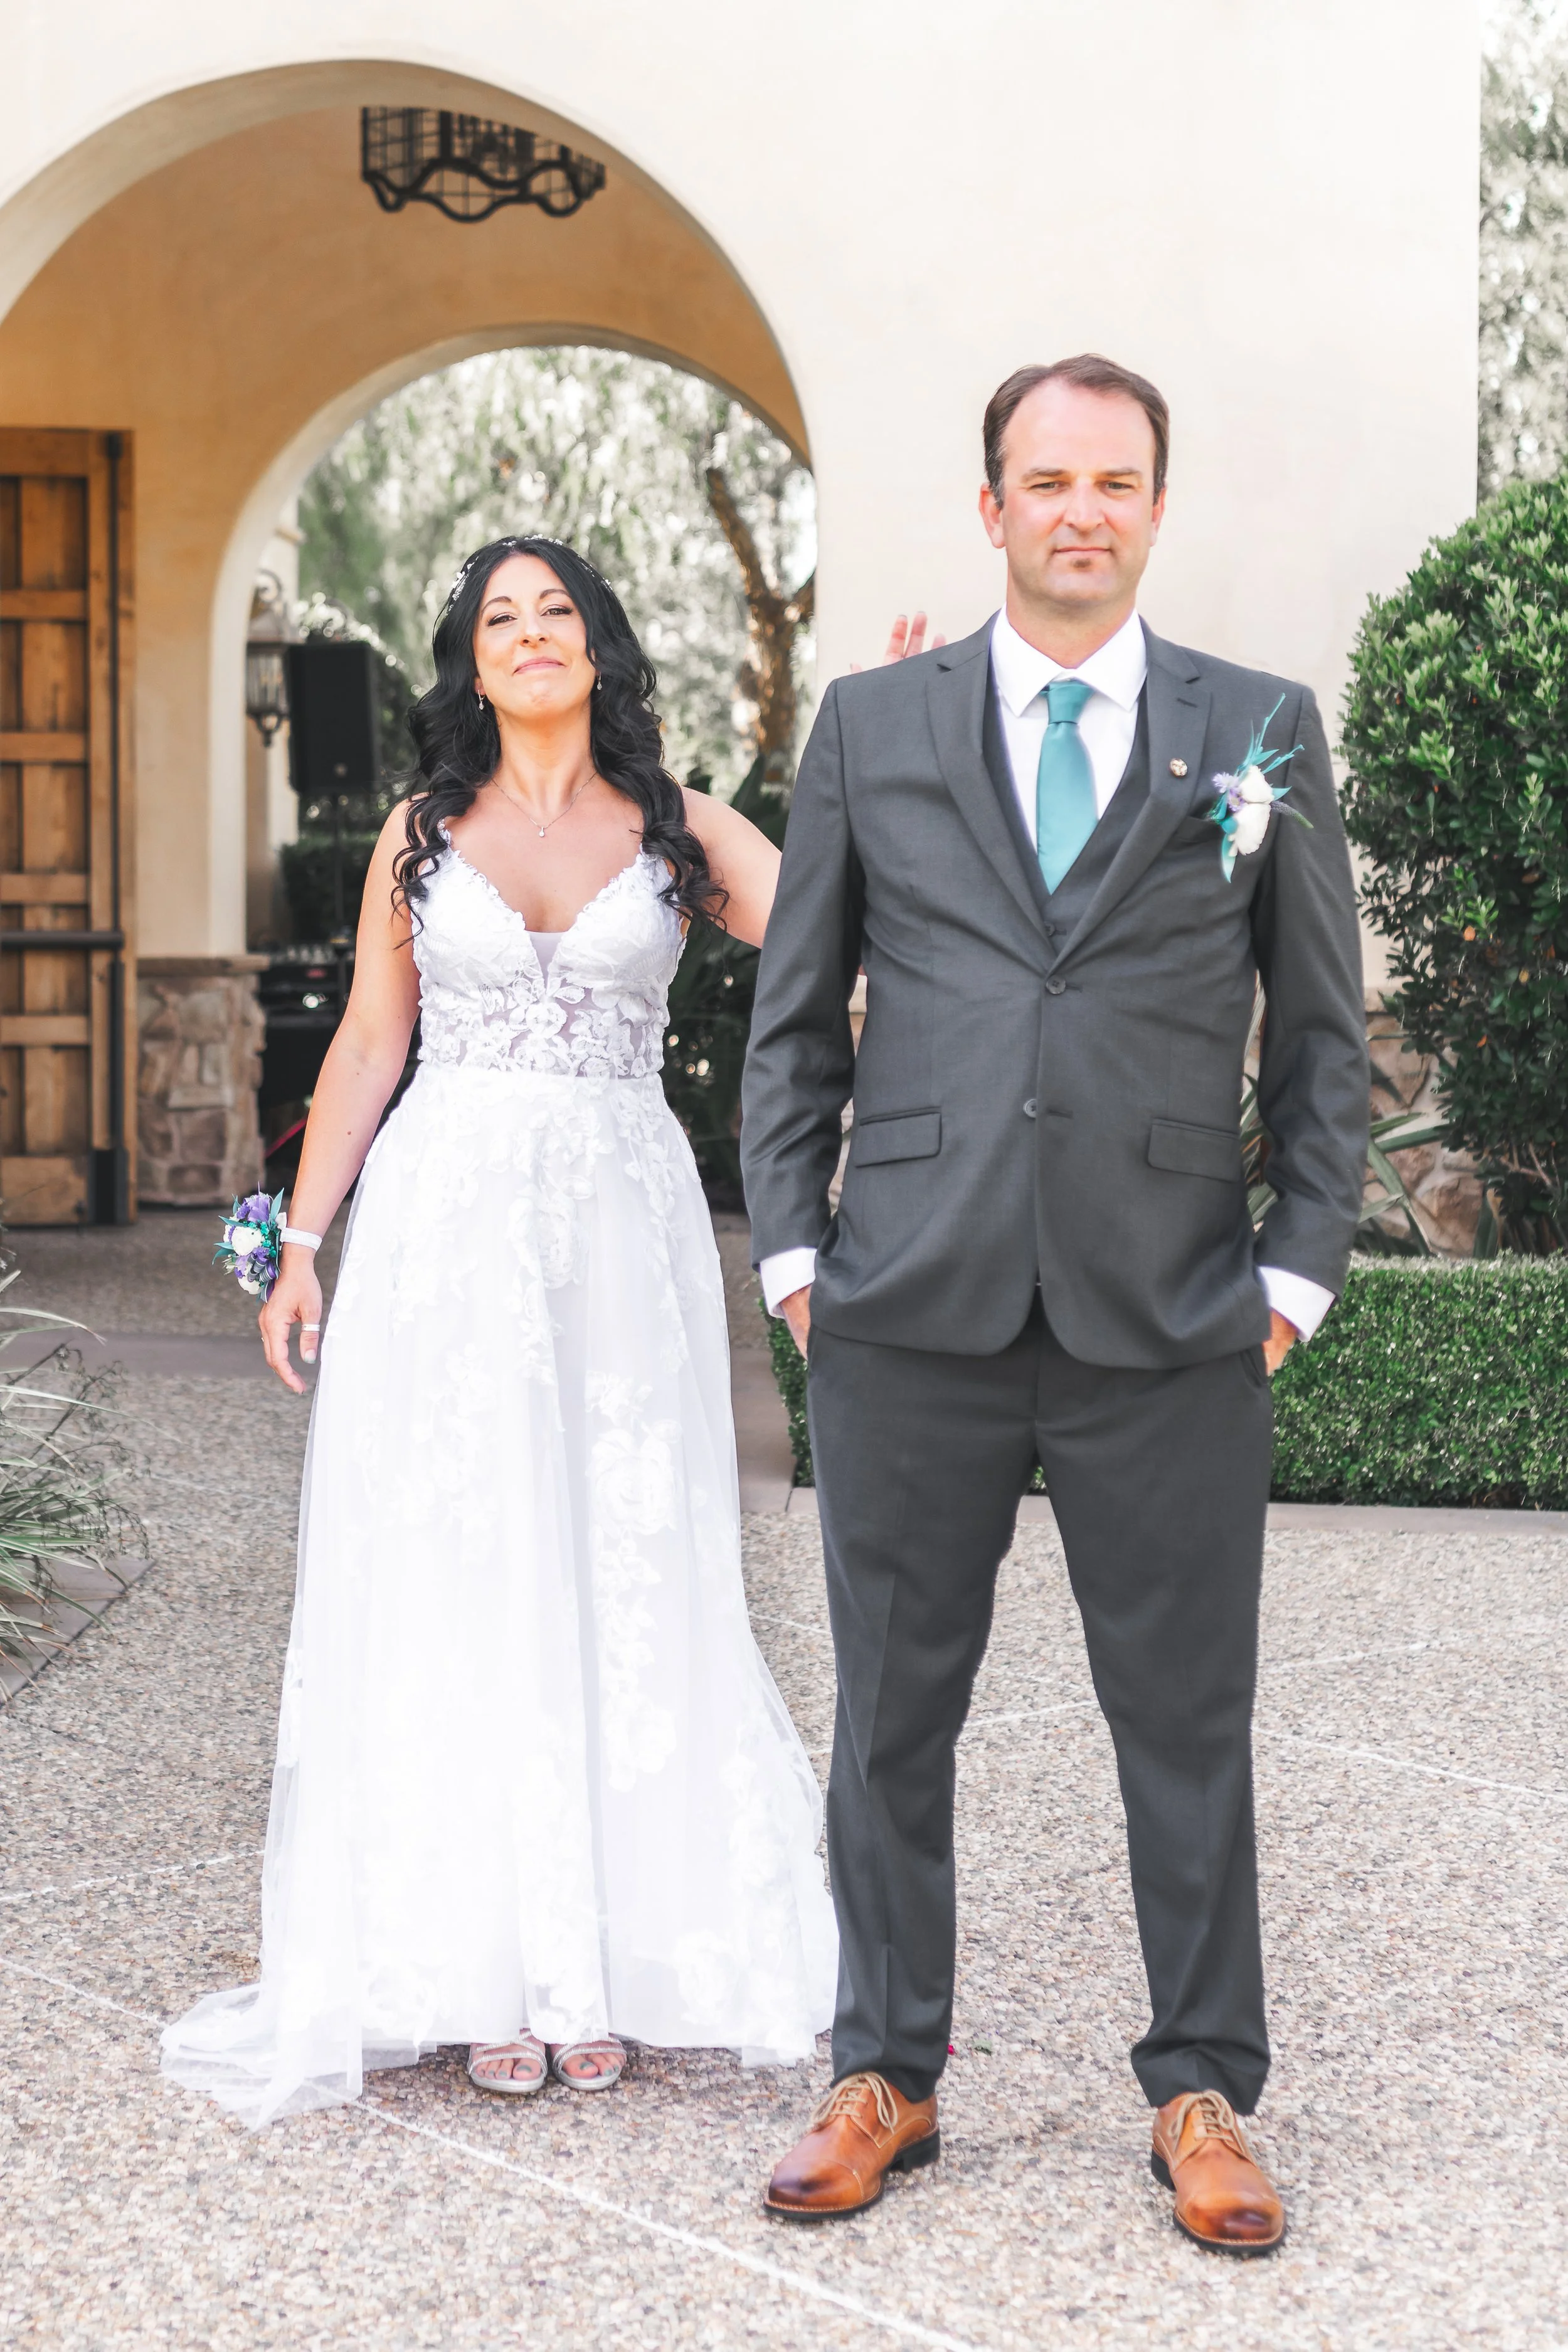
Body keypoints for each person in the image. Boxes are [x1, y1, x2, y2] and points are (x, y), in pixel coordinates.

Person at [741, 356, 1369, 2250]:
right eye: (1045, 476)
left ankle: (1199, 2087)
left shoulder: (1256, 733)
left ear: (1153, 508)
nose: (1080, 506)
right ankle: (885, 2069)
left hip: (1171, 1310)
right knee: (886, 1718)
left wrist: (1293, 1271)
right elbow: (791, 1027)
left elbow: (1323, 1038)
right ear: (992, 504)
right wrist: (795, 1260)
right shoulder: (868, 723)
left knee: (1183, 1717)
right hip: (907, 1310)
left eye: (1114, 477)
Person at [161, 537, 837, 2126]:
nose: (529, 638)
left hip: (618, 1223)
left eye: (555, 614)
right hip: (443, 1229)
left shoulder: (681, 830)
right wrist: (305, 1245)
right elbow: (367, 1050)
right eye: (497, 620)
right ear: (469, 661)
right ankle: (476, 1961)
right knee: (463, 1555)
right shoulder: (422, 832)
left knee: (623, 1550)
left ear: (598, 646)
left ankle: (605, 1959)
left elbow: (838, 950)